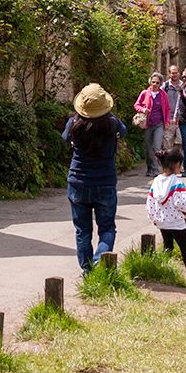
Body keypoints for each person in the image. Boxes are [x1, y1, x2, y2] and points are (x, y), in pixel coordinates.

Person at [62, 83, 128, 272]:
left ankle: (87, 270)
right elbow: (123, 132)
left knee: (83, 231)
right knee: (107, 228)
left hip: (78, 182)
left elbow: (65, 139)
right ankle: (100, 263)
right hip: (105, 182)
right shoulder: (112, 123)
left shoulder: (74, 123)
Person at [145, 147, 186, 284]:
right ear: (177, 164)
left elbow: (150, 201)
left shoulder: (157, 181)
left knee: (168, 247)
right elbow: (181, 202)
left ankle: (161, 269)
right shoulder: (177, 182)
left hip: (162, 221)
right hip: (176, 221)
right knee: (184, 247)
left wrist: (153, 217)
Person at [132, 72, 171, 177]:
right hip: (147, 124)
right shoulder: (145, 93)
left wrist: (167, 122)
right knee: (148, 148)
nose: (154, 84)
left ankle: (155, 170)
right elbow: (136, 105)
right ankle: (149, 168)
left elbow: (167, 109)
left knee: (156, 148)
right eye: (153, 82)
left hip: (159, 124)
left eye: (157, 83)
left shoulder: (163, 95)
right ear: (150, 82)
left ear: (160, 84)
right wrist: (142, 109)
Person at [162, 65, 185, 151]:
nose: (174, 75)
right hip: (169, 119)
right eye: (172, 73)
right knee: (167, 143)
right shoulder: (165, 86)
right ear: (169, 74)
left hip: (181, 119)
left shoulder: (183, 86)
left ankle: (177, 162)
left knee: (180, 142)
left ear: (179, 73)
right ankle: (168, 163)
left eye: (176, 73)